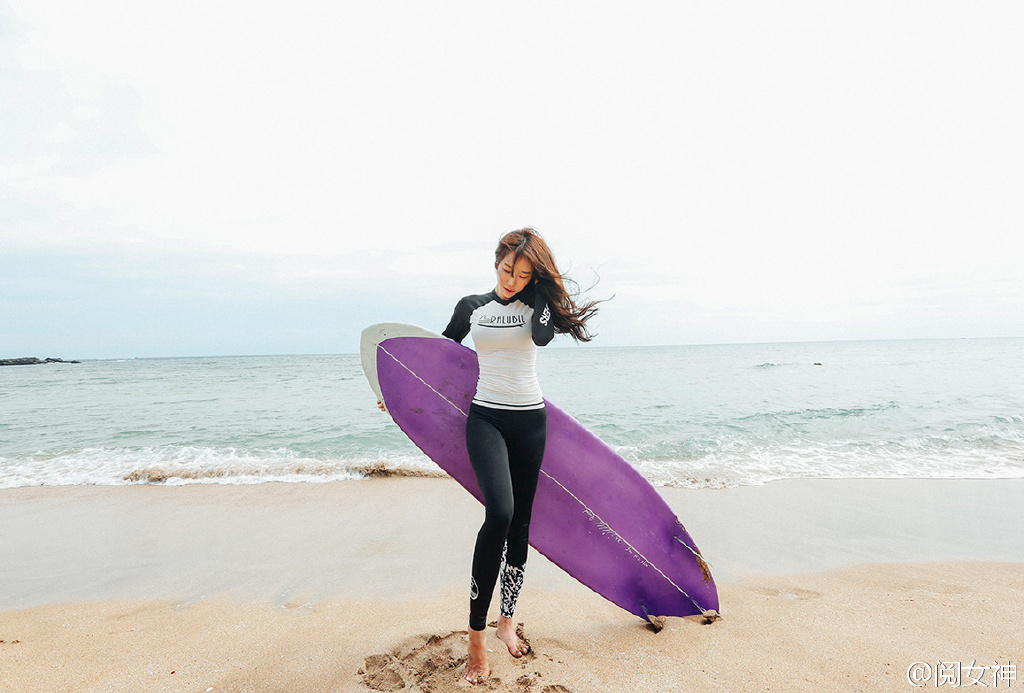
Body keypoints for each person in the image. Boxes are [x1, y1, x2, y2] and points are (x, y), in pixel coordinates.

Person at [439, 227, 601, 684]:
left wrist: (543, 295)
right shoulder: (471, 308)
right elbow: (438, 358)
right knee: (501, 513)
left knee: (522, 525)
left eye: (524, 274)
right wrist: (391, 391)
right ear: (496, 261)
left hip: (530, 421)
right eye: (509, 269)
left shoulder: (536, 308)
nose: (512, 280)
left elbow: (545, 339)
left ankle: (506, 621)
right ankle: (476, 639)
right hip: (486, 419)